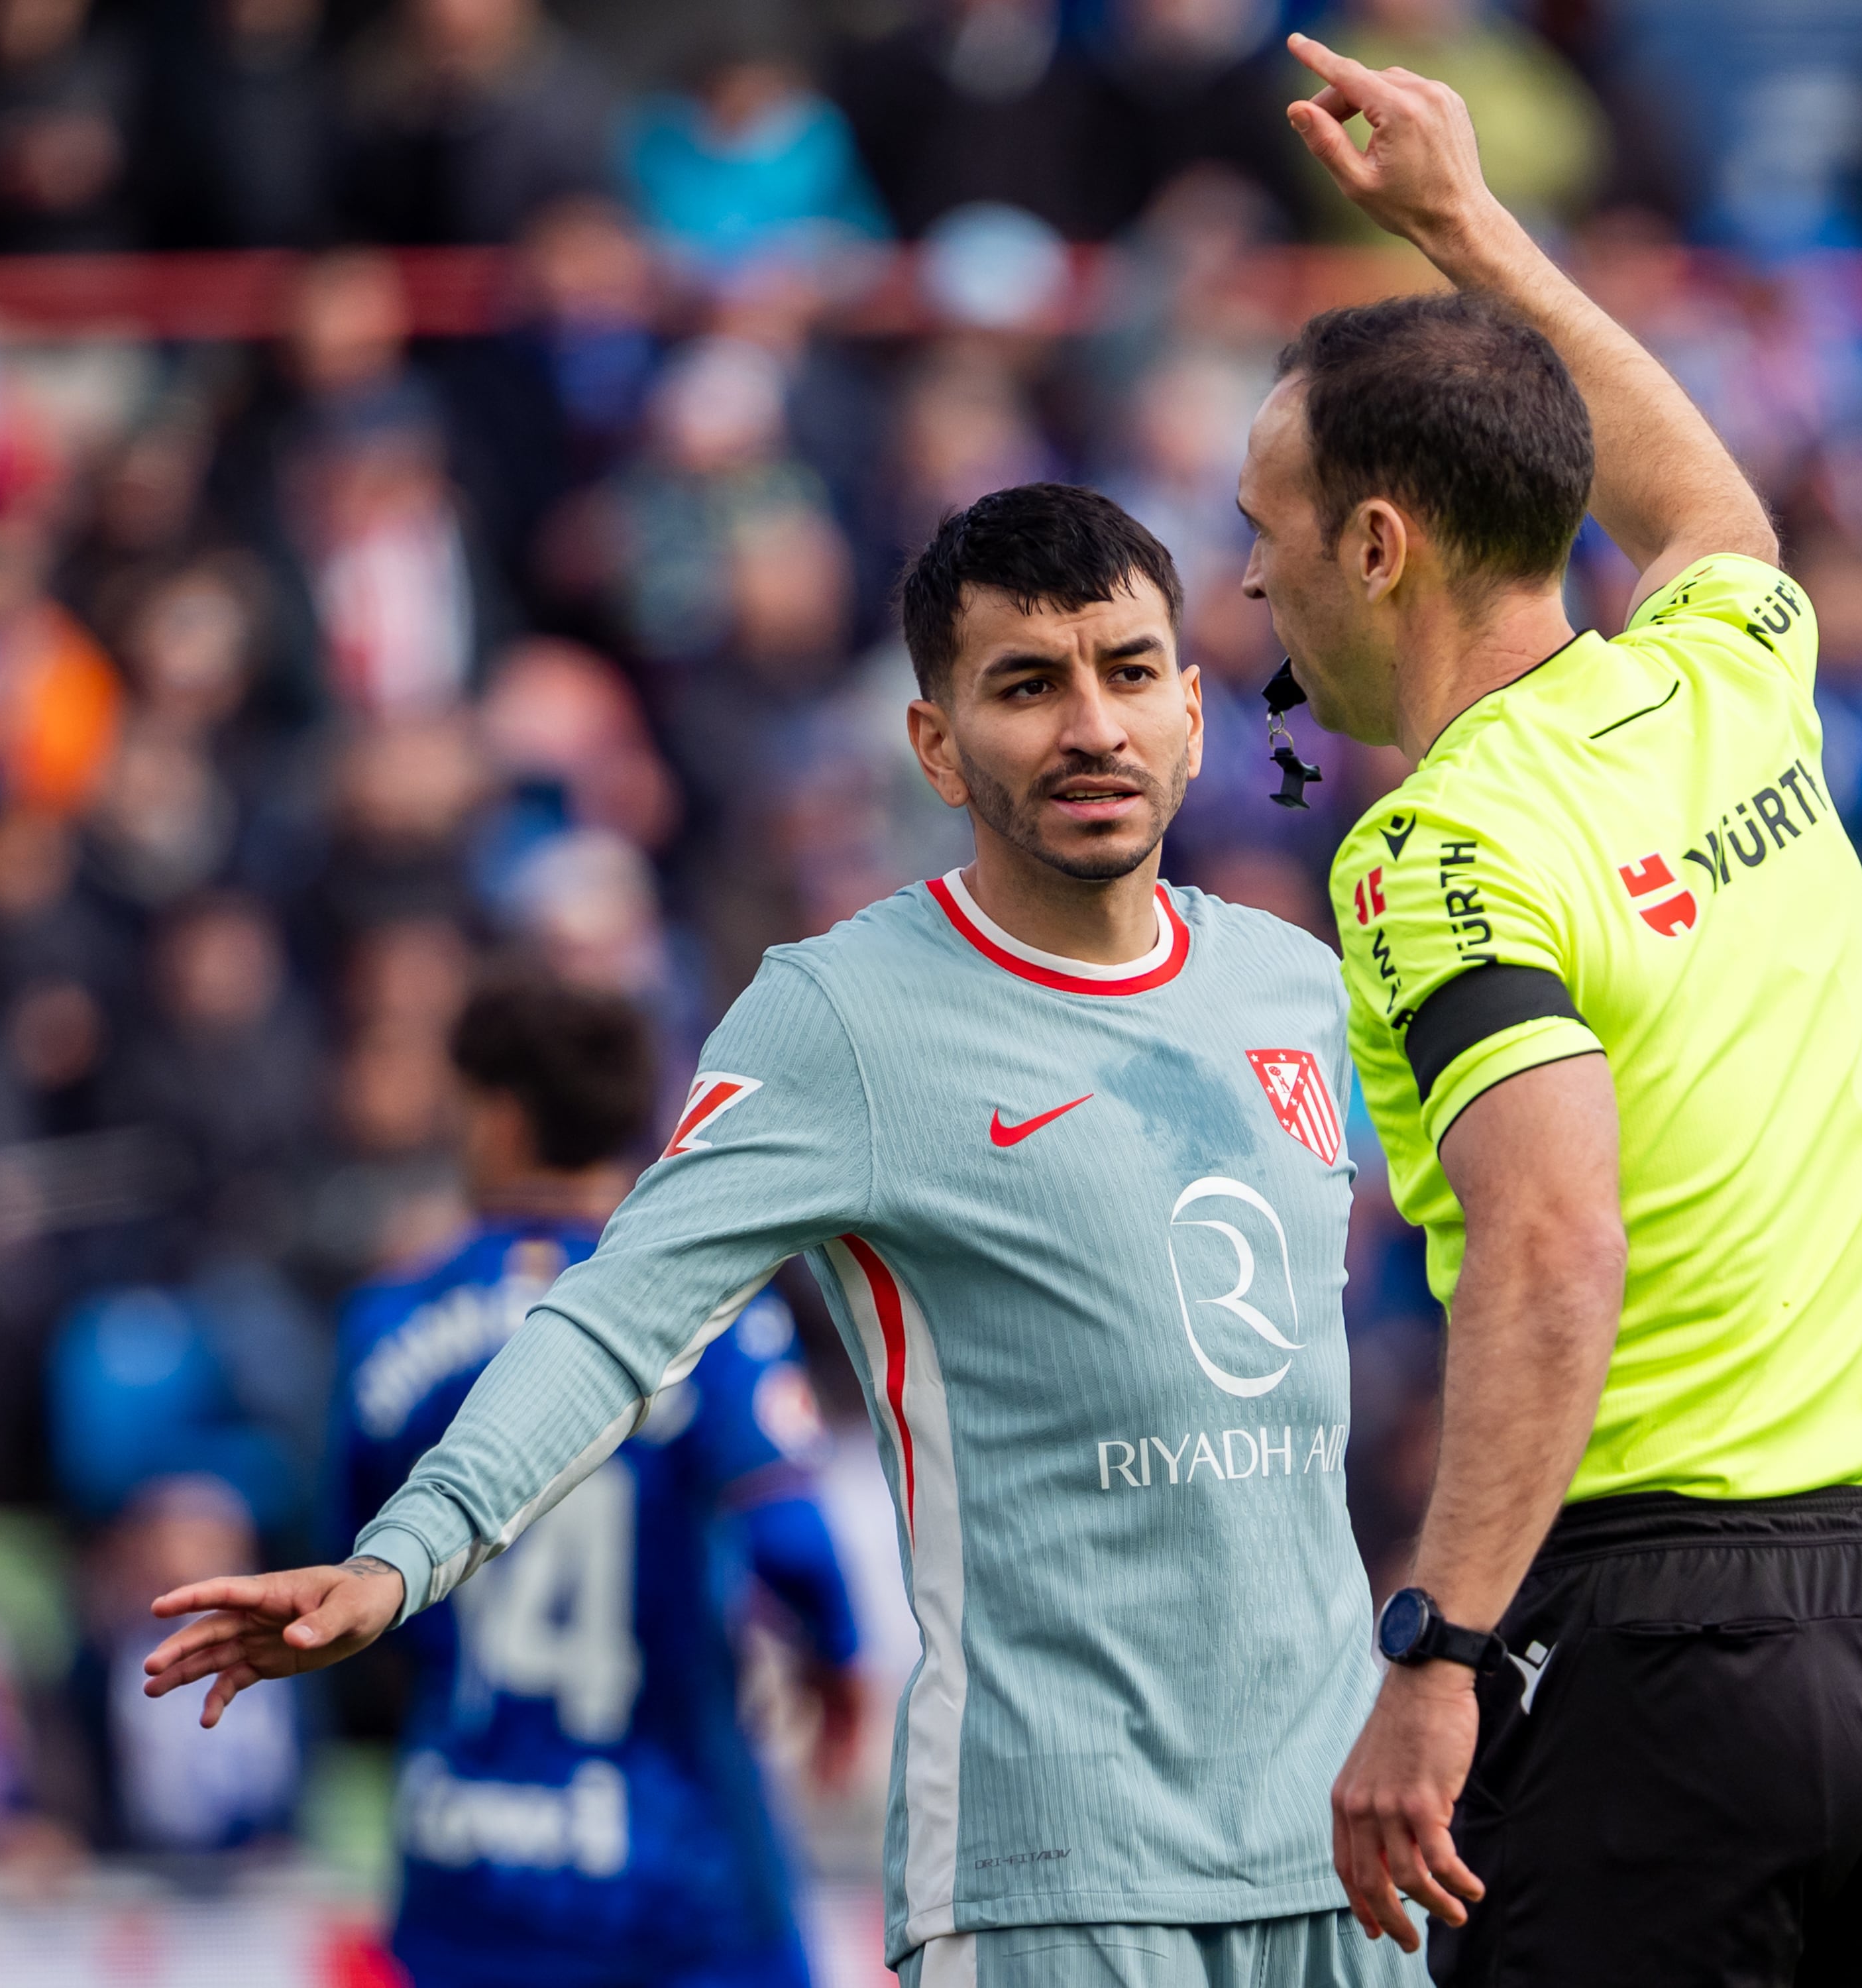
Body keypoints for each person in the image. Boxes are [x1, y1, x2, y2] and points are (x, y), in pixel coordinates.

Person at [145, 484, 1419, 1987]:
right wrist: (401, 1561)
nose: (1092, 726)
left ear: (1195, 712)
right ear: (934, 744)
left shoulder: (1295, 986)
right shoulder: (843, 1018)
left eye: (1128, 672)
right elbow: (620, 1311)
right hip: (1057, 1880)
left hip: (1336, 1857)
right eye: (1026, 684)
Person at [1242, 37, 1862, 1981]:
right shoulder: (1729, 666)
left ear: (1375, 544)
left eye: (1263, 532)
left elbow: (1549, 1246)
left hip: (1667, 1664)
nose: (1246, 585)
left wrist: (1433, 1654)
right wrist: (1462, 222)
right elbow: (1708, 500)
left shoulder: (1432, 853)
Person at [324, 973, 858, 1987]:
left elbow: (351, 1582)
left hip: (465, 1860)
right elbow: (795, 1546)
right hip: (675, 1867)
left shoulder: (386, 1322)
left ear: (501, 1115)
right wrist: (842, 1670)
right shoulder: (712, 1316)